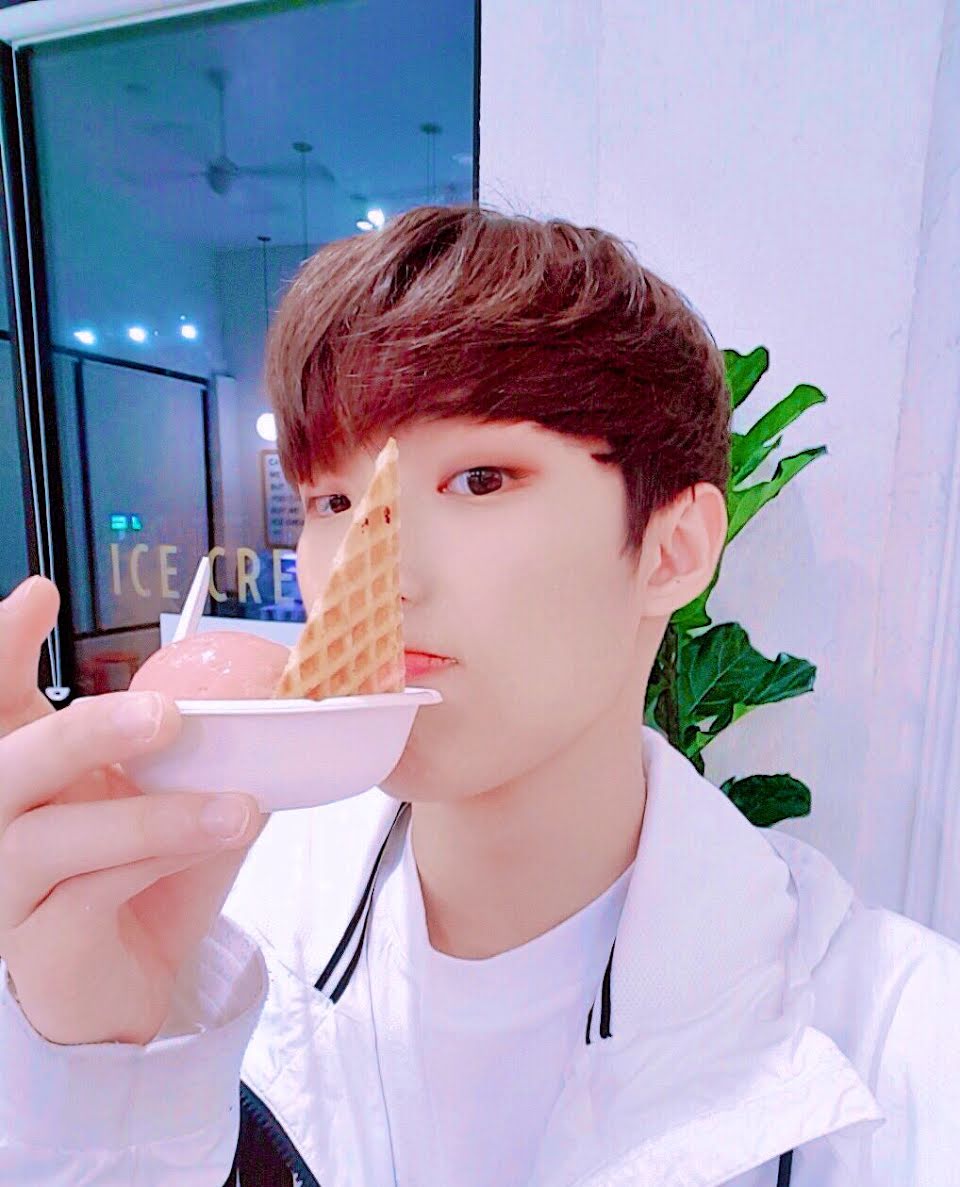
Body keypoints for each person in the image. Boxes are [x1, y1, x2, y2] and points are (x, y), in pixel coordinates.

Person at [0, 205, 958, 1187]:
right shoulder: (209, 919)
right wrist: (100, 1085)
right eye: (334, 501)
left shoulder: (907, 1051)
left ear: (673, 550)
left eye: (481, 479)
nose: (374, 572)